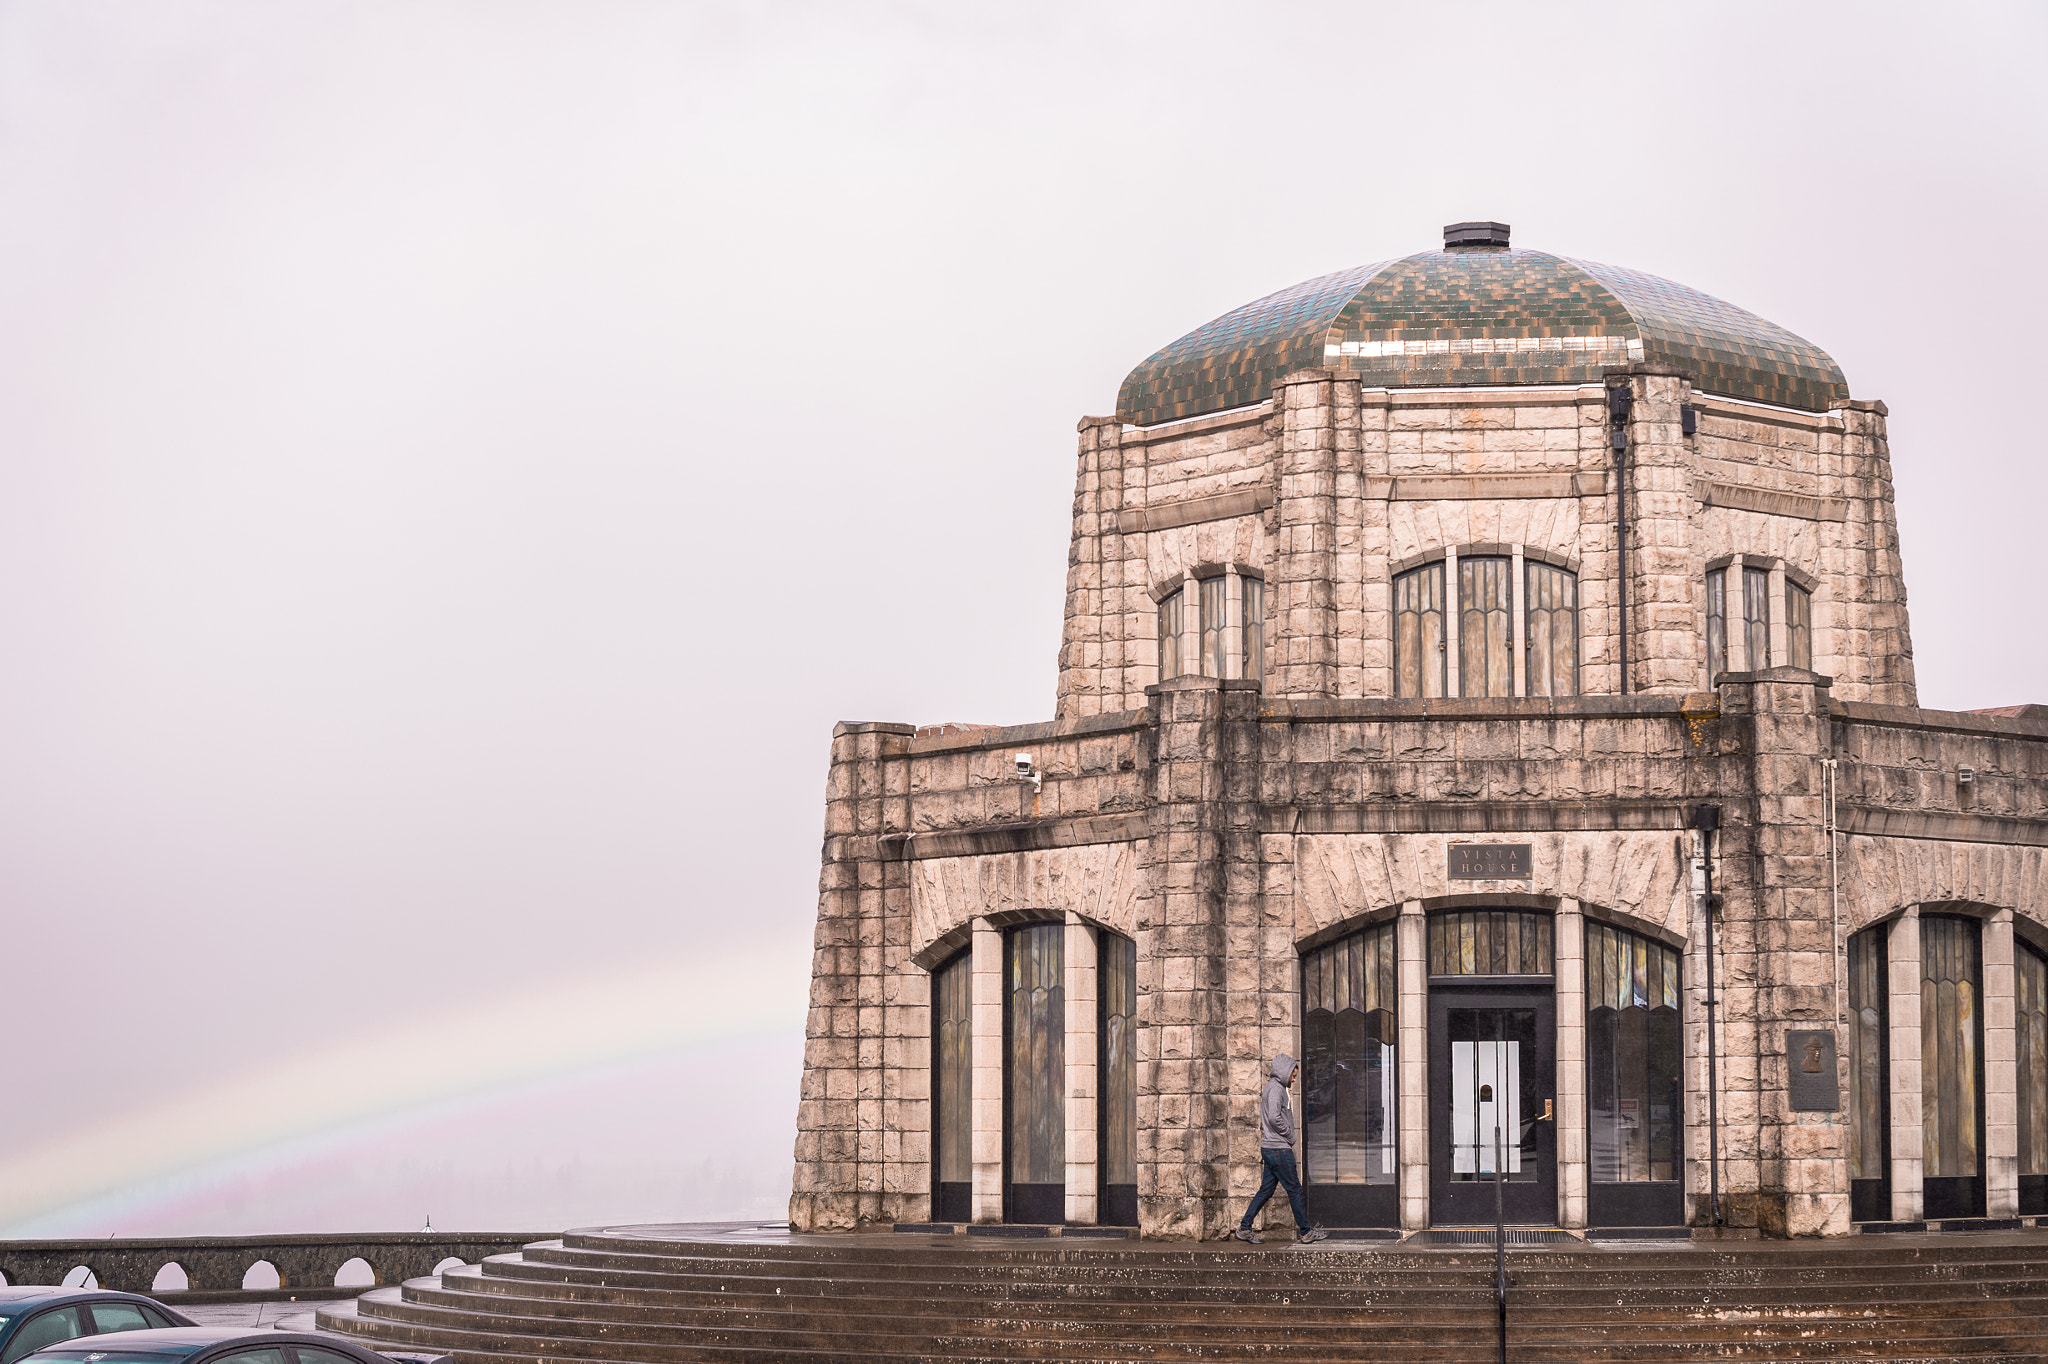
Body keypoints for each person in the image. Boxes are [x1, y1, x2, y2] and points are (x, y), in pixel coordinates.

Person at [1234, 1053, 1326, 1244]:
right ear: (1284, 1072)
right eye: (1293, 1076)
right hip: (1278, 1149)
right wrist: (1290, 1136)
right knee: (1294, 1190)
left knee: (1266, 1190)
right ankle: (1306, 1232)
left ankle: (1244, 1228)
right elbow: (1275, 1117)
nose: (1294, 1079)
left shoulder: (1276, 1088)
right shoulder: (1276, 1089)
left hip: (1271, 1148)